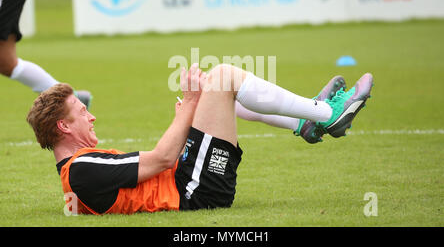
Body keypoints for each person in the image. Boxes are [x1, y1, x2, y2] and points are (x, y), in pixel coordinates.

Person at [26, 63, 373, 215]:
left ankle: (306, 123)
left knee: (215, 87)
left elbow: (157, 167)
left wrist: (193, 109)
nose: (92, 115)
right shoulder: (80, 169)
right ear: (64, 128)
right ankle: (329, 115)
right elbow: (161, 158)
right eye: (81, 112)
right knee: (222, 78)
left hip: (190, 179)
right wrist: (189, 106)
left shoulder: (81, 169)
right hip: (195, 191)